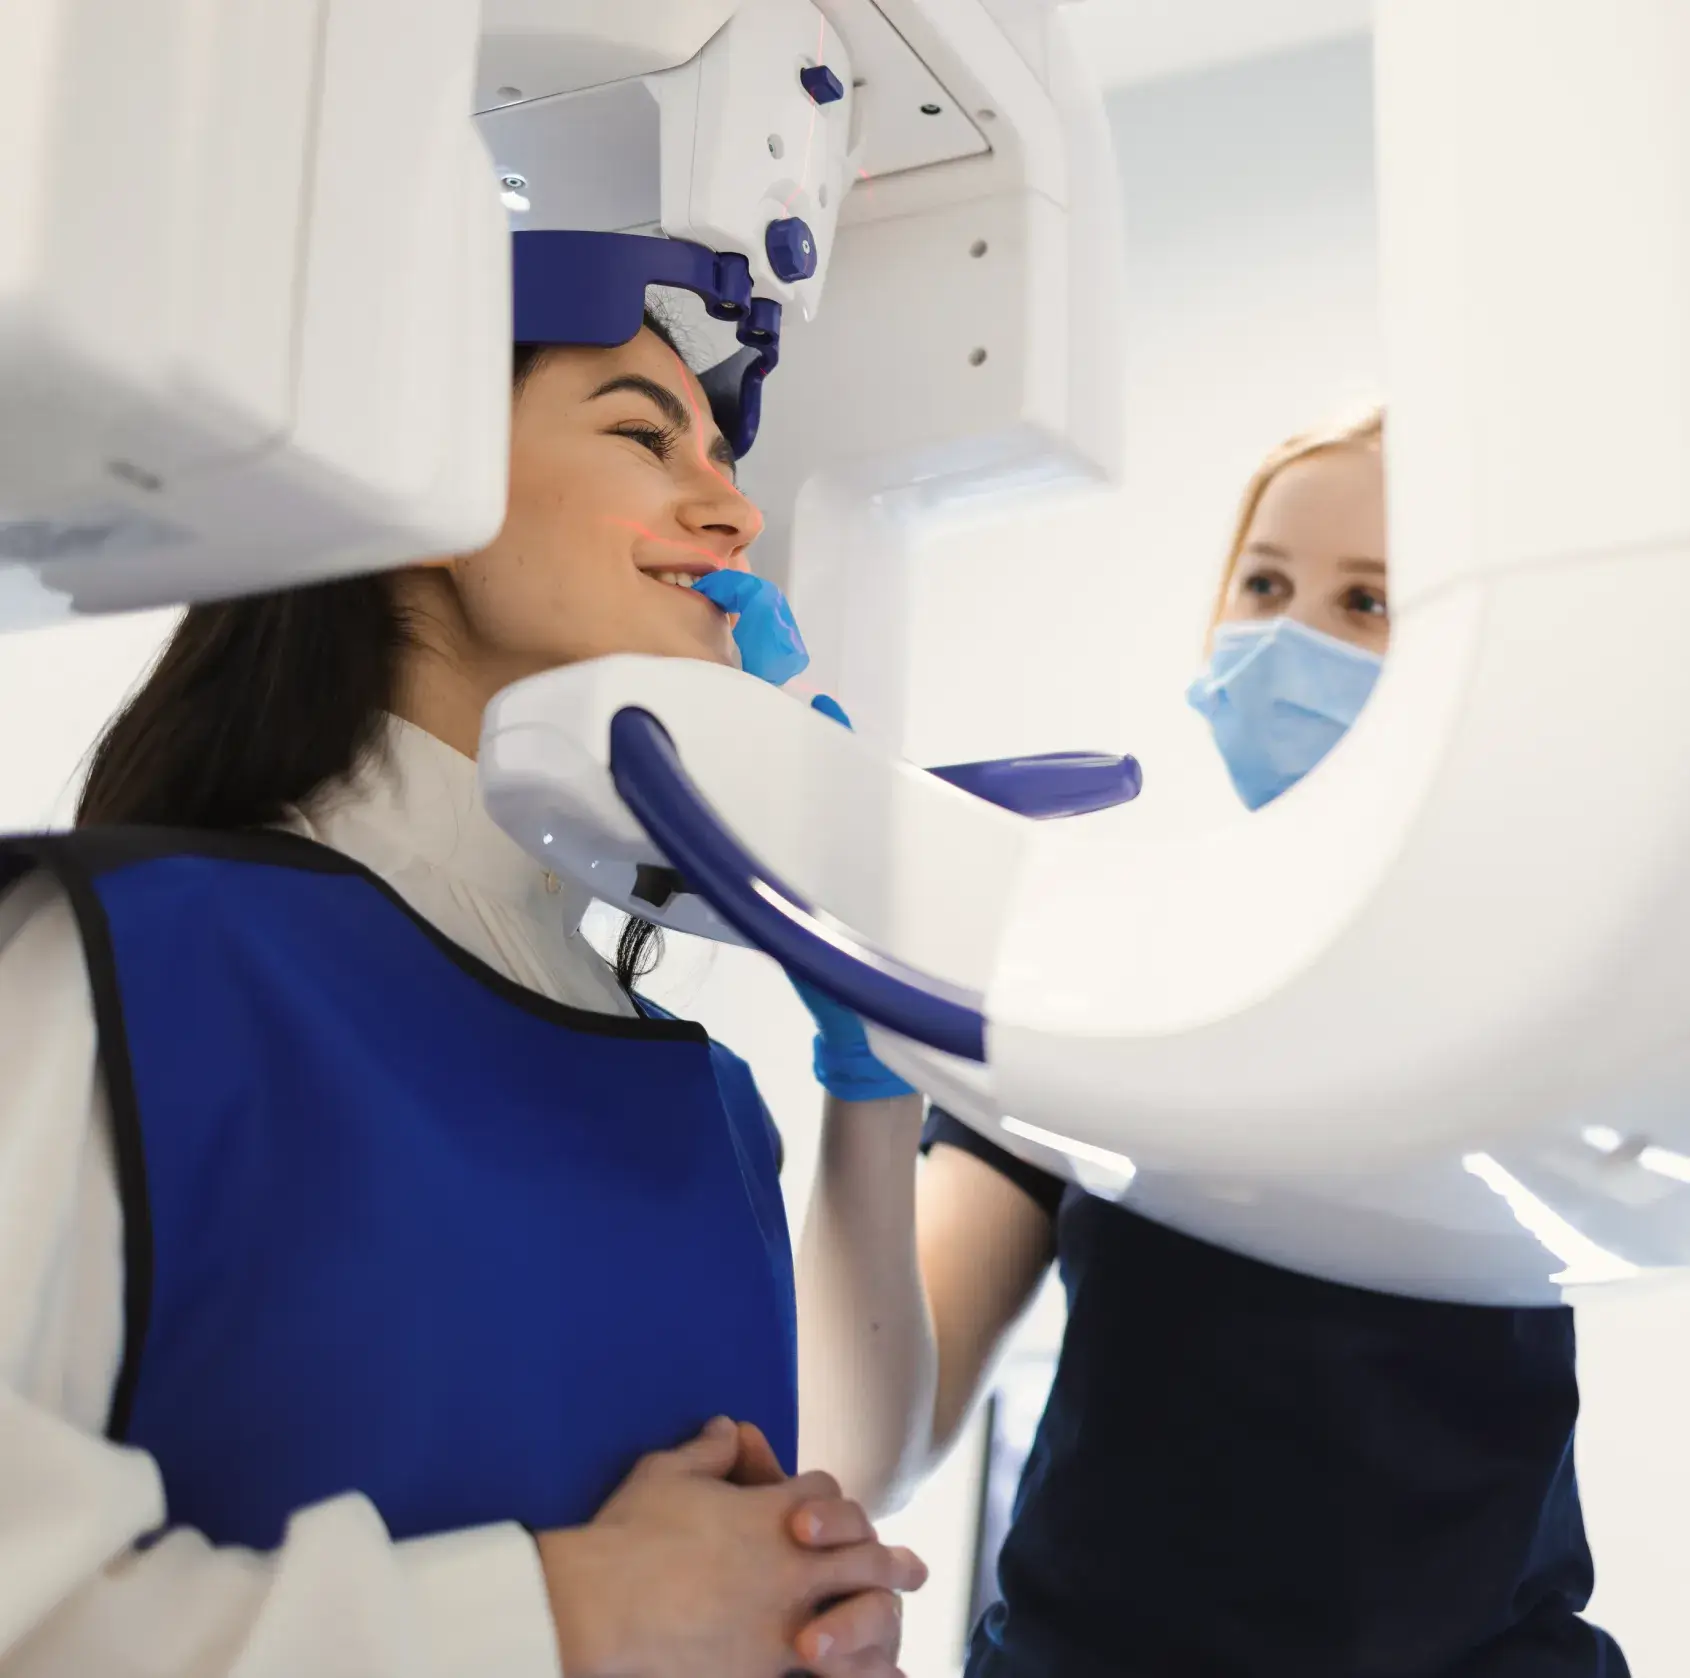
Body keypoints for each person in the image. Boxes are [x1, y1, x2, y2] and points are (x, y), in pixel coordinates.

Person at [0, 311, 927, 1678]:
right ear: (421, 480)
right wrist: (572, 1613)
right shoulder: (117, 964)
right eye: (639, 431)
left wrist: (806, 1605)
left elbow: (852, 1462)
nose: (733, 509)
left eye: (723, 455)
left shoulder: (705, 1098)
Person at [791, 408, 1632, 1677]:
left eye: (1368, 603)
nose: (1290, 637)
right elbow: (867, 1442)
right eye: (1265, 584)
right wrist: (879, 1073)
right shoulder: (1110, 974)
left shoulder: (1539, 986)